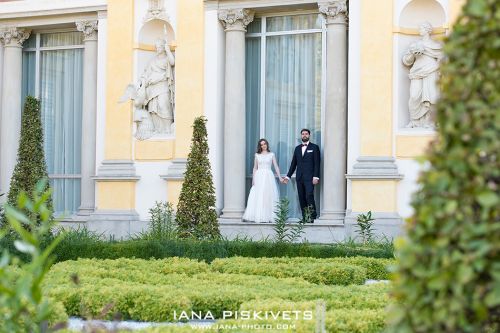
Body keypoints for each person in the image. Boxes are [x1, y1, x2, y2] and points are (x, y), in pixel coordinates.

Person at [402, 21, 443, 128]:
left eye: (421, 28)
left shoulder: (435, 45)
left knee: (432, 96)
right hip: (417, 71)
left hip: (431, 70)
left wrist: (438, 67)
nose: (419, 30)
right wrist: (412, 53)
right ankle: (414, 121)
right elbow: (407, 61)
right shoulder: (415, 45)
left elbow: (442, 58)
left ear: (427, 30)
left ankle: (431, 121)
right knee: (414, 96)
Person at [282, 129, 320, 222]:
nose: (304, 135)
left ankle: (312, 216)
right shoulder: (297, 148)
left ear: (309, 135)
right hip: (299, 177)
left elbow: (317, 163)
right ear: (301, 136)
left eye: (306, 134)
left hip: (310, 177)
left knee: (309, 195)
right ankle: (304, 217)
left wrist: (316, 176)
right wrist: (288, 176)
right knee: (301, 197)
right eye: (303, 134)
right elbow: (293, 164)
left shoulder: (314, 147)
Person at [243, 139, 283, 223]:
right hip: (259, 176)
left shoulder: (271, 154)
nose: (263, 146)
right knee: (258, 195)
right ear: (260, 146)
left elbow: (276, 166)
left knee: (268, 196)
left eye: (264, 144)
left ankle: (268, 216)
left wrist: (280, 178)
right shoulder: (257, 155)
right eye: (261, 144)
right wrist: (253, 179)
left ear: (267, 144)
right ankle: (258, 216)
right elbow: (255, 168)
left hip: (268, 176)